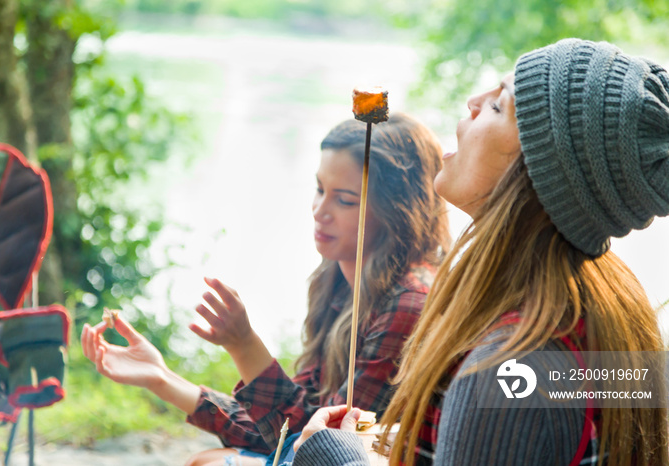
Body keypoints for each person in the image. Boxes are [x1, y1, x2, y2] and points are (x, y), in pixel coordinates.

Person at [290, 38, 669, 466]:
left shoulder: (505, 367)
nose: (473, 101)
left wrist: (331, 452)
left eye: (497, 106)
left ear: (537, 171)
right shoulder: (601, 302)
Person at [81, 112, 451, 465]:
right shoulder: (338, 284)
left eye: (345, 200)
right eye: (320, 189)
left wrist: (244, 344)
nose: (320, 211)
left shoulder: (408, 304)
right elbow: (281, 428)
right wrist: (161, 378)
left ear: (397, 211)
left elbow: (320, 443)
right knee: (205, 460)